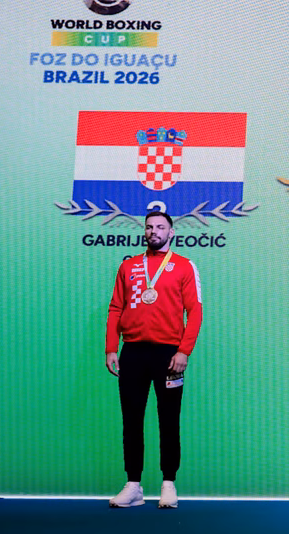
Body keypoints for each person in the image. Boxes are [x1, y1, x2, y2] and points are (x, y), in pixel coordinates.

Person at [105, 210, 203, 509]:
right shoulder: (129, 266)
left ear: (171, 232)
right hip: (132, 353)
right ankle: (133, 485)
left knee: (169, 420)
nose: (154, 231)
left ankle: (168, 484)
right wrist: (111, 348)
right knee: (132, 421)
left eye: (160, 227)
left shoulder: (184, 267)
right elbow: (115, 308)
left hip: (168, 355)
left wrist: (184, 351)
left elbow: (195, 311)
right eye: (149, 227)